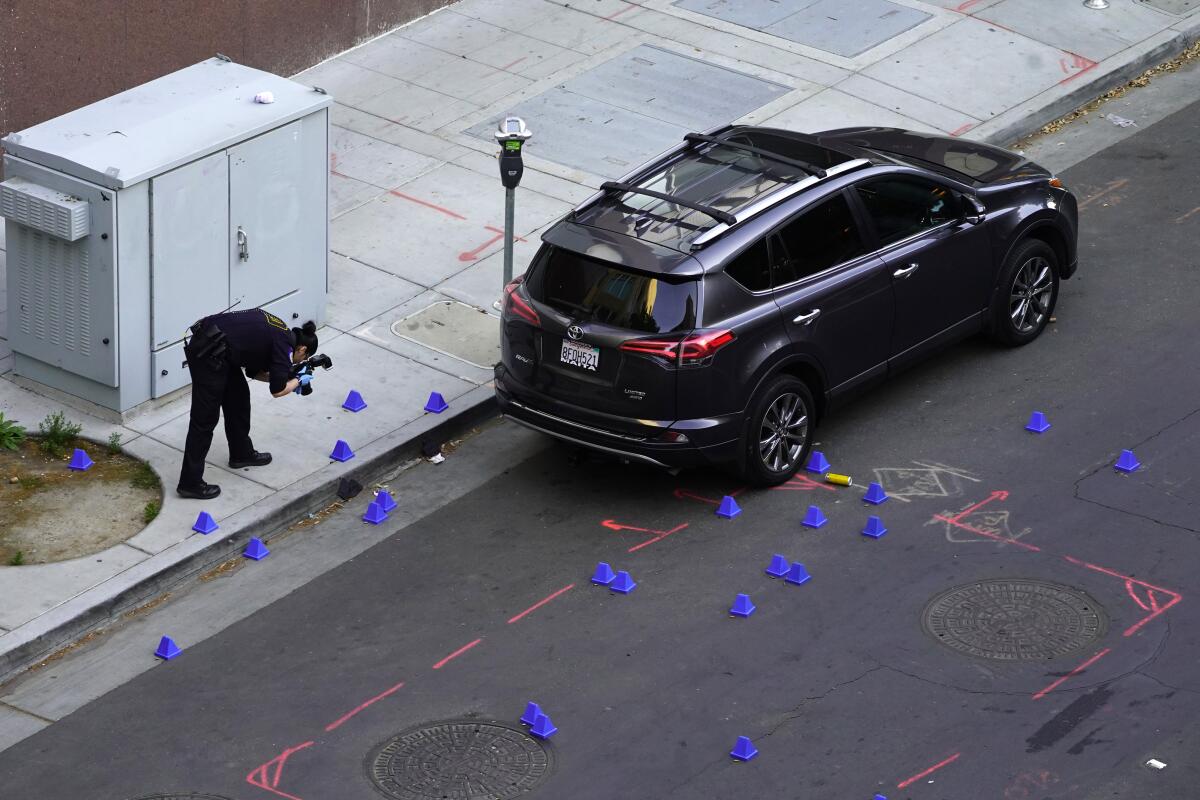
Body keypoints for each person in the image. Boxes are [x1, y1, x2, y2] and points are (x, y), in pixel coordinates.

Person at [177, 309, 319, 499]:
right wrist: (299, 381)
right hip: (208, 351)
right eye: (304, 358)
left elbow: (254, 372)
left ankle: (241, 453)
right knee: (204, 420)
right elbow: (277, 391)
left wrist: (289, 378)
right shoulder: (284, 344)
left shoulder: (281, 332)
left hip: (222, 349)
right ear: (302, 349)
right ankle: (189, 482)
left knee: (238, 400)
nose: (300, 361)